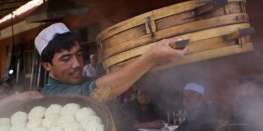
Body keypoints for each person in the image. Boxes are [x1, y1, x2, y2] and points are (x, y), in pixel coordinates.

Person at [35, 23, 187, 100]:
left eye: (79, 54)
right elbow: (95, 91)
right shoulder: (50, 95)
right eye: (66, 59)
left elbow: (111, 82)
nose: (77, 64)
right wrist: (150, 58)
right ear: (47, 65)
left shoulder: (81, 80)